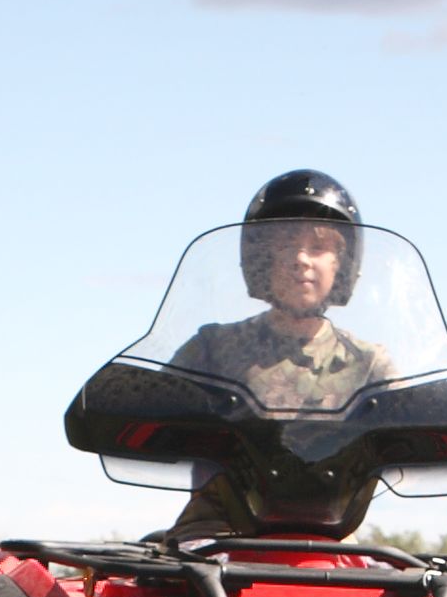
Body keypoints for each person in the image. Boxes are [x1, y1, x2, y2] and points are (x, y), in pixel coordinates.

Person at [158, 168, 397, 542]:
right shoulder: (211, 350)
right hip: (211, 540)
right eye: (286, 246)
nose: (301, 259)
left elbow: (415, 435)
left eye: (318, 248)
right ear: (263, 261)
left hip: (330, 546)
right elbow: (146, 412)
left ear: (341, 264)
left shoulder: (368, 365)